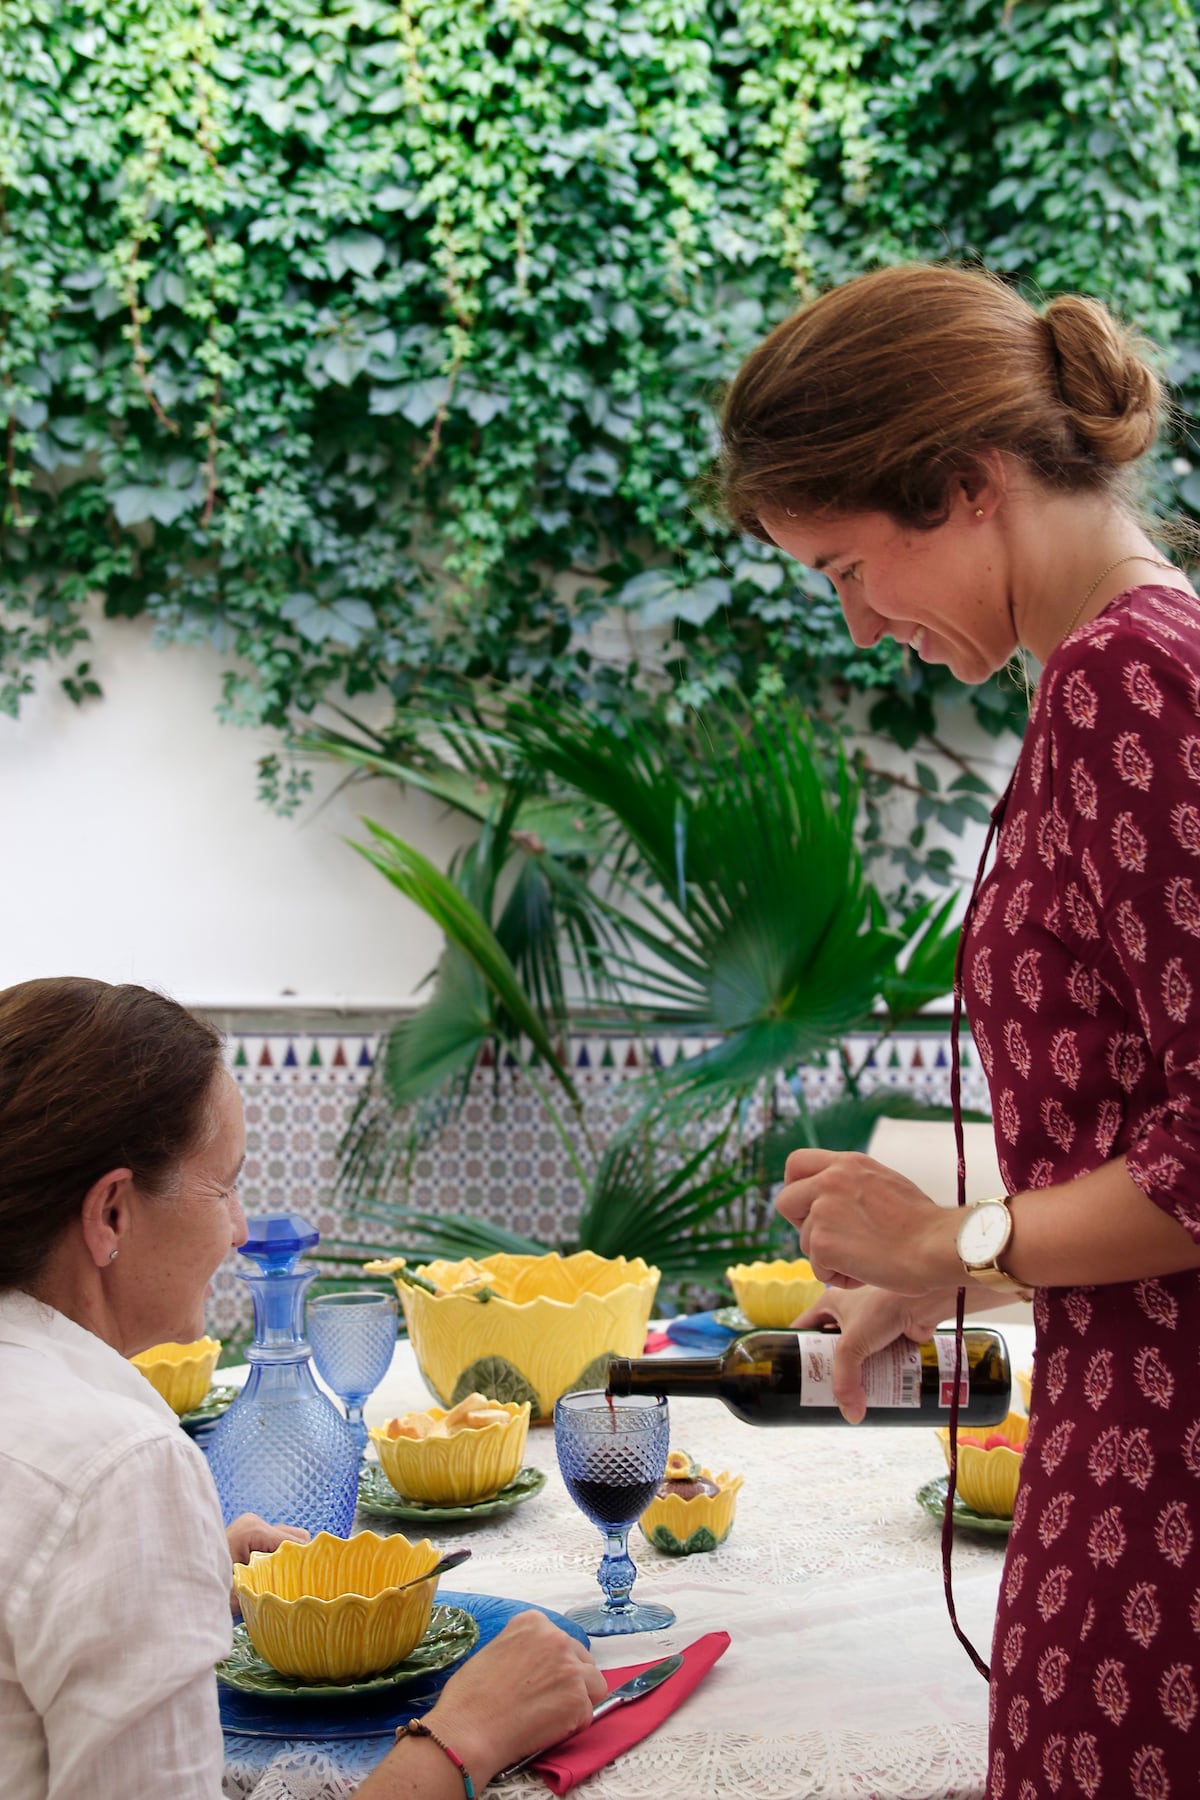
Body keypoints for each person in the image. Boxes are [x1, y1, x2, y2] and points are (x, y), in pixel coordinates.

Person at [720, 262, 1200, 1800]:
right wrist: (935, 1286)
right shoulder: (1122, 673)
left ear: (964, 487)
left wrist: (950, 1245)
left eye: (852, 567)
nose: (861, 624)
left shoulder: (1132, 685)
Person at [0, 977, 605, 1800]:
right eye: (225, 1185)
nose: (241, 1229)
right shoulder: (120, 1467)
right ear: (110, 1213)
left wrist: (191, 1575)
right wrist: (464, 1738)